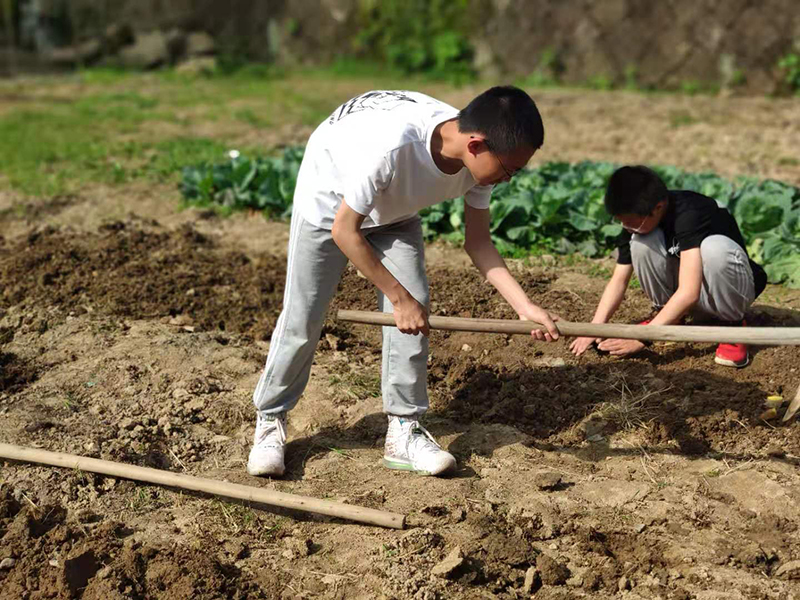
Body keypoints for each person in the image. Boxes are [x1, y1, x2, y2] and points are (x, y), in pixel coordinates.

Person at [248, 87, 560, 478]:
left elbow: (478, 242)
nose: (508, 178)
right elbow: (345, 231)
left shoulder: (482, 158)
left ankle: (403, 429)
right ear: (476, 145)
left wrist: (524, 307)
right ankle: (270, 418)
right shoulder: (391, 148)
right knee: (304, 318)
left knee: (417, 306)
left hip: (394, 213)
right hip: (330, 207)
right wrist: (398, 299)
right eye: (509, 170)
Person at [569, 165, 767, 367]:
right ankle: (669, 316)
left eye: (630, 221)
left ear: (658, 208)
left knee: (714, 249)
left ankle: (733, 326)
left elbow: (689, 292)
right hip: (692, 293)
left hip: (728, 292)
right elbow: (619, 280)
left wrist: (643, 337)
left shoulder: (691, 212)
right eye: (621, 221)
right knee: (641, 242)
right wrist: (594, 328)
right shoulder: (636, 221)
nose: (626, 227)